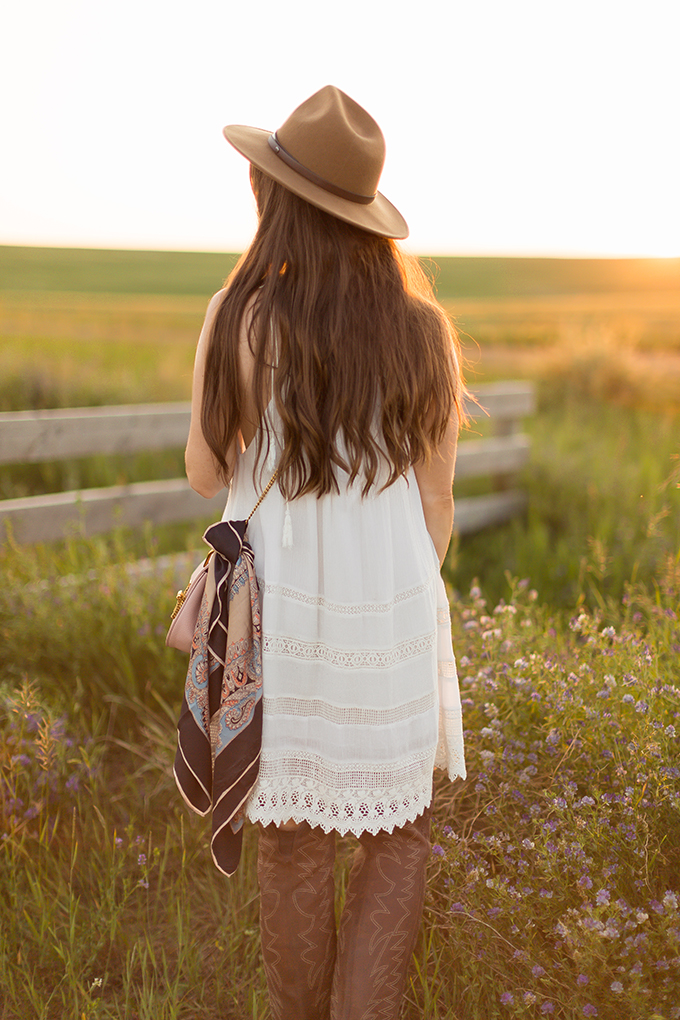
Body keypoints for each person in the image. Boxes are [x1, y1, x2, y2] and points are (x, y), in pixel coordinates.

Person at [185, 85, 466, 1020]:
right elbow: (436, 502)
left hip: (280, 617)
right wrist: (389, 583)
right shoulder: (423, 332)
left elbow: (201, 472)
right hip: (386, 611)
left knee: (294, 839)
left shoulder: (238, 317)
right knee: (400, 833)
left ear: (278, 203)